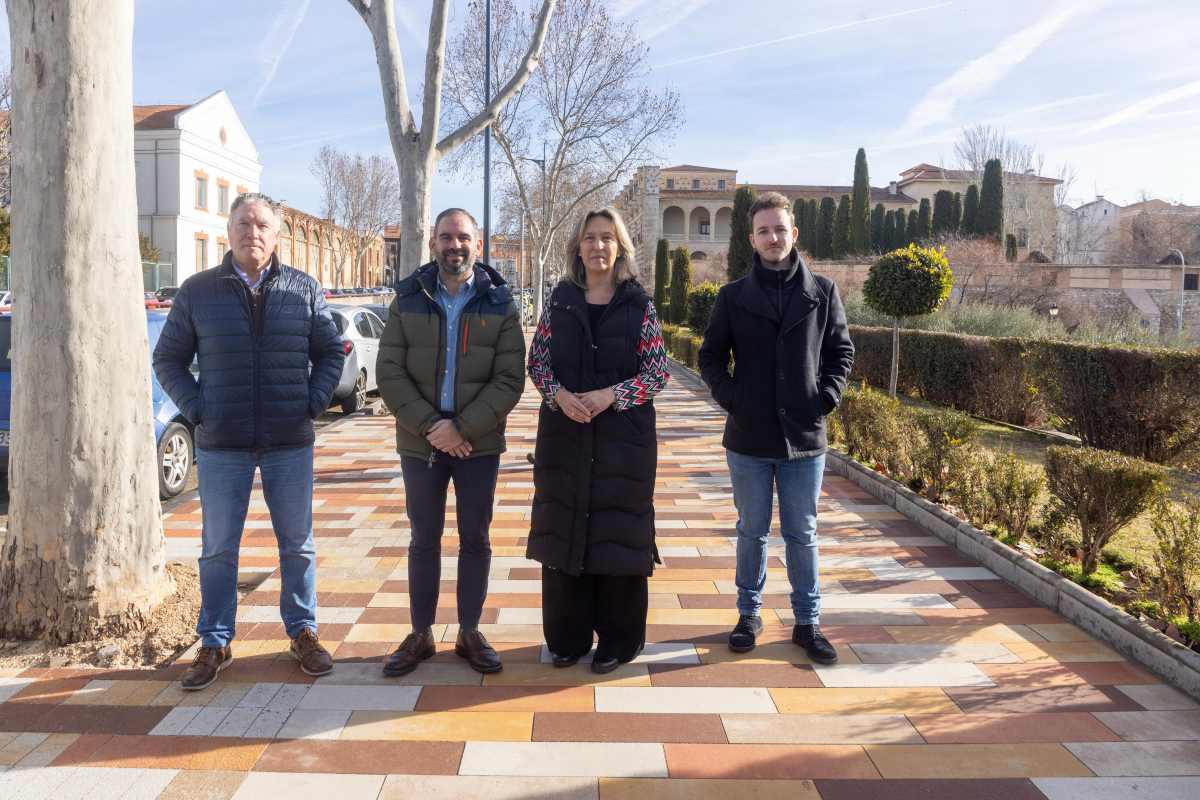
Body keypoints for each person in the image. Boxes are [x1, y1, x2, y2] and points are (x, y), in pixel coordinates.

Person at [153, 192, 346, 690]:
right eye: (243, 223)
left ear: (276, 235)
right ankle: (214, 640)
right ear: (229, 230)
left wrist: (313, 401)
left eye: (262, 224)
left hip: (289, 439)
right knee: (218, 548)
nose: (252, 232)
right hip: (222, 443)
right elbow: (167, 360)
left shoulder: (304, 289)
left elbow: (330, 353)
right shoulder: (198, 292)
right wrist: (198, 409)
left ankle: (303, 631)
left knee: (297, 546)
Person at [697, 191, 854, 664]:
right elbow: (709, 357)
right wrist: (731, 398)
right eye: (764, 230)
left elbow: (841, 353)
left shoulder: (823, 292)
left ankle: (808, 623)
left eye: (780, 229)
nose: (772, 237)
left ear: (794, 234)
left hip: (805, 438)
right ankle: (748, 615)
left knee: (803, 532)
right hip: (748, 437)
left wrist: (825, 397)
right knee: (752, 530)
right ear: (752, 238)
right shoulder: (732, 297)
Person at [376, 208, 525, 677]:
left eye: (462, 237)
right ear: (433, 244)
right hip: (420, 443)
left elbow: (509, 378)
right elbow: (389, 372)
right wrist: (432, 427)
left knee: (475, 539)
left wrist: (462, 428)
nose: (453, 245)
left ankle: (469, 631)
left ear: (477, 246)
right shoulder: (407, 298)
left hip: (476, 444)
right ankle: (420, 633)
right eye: (445, 237)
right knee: (424, 539)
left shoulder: (500, 303)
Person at [526, 207, 669, 674]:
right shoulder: (560, 302)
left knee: (617, 537)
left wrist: (612, 395)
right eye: (590, 237)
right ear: (578, 247)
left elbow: (657, 373)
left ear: (620, 247)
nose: (598, 246)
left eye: (608, 237)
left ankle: (620, 642)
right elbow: (538, 363)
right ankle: (566, 639)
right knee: (565, 534)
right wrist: (558, 395)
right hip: (565, 439)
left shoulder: (639, 306)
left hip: (622, 444)